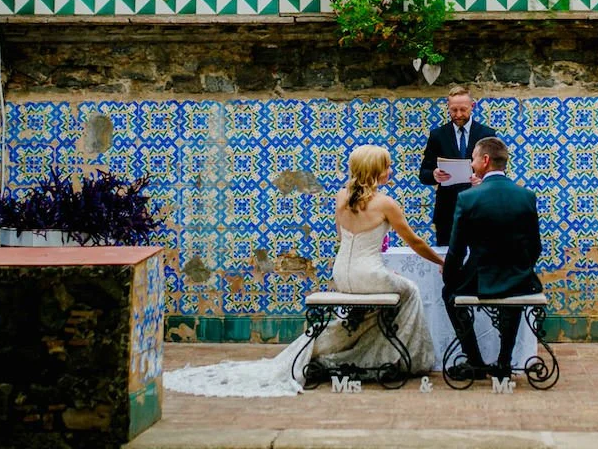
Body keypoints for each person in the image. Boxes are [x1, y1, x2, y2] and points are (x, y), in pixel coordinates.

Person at [164, 145, 442, 397]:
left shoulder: (342, 196)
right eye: (387, 165)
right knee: (412, 291)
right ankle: (400, 359)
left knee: (373, 309)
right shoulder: (386, 203)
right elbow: (415, 242)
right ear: (375, 169)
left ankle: (365, 356)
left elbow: (342, 237)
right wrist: (441, 262)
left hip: (342, 275)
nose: (391, 170)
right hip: (369, 274)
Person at [442, 136, 542, 380]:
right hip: (518, 278)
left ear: (485, 160)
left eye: (474, 158)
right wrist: (520, 267)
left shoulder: (468, 198)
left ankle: (475, 361)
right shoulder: (526, 196)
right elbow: (535, 246)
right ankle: (504, 362)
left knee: (448, 293)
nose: (472, 164)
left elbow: (457, 250)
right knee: (514, 290)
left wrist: (449, 276)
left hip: (481, 278)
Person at [418, 85, 497, 246]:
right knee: (448, 263)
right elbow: (423, 174)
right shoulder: (437, 135)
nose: (458, 115)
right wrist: (434, 174)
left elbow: (497, 172)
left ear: (472, 106)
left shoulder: (486, 134)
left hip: (480, 208)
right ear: (448, 106)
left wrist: (483, 182)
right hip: (447, 213)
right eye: (454, 110)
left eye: (463, 109)